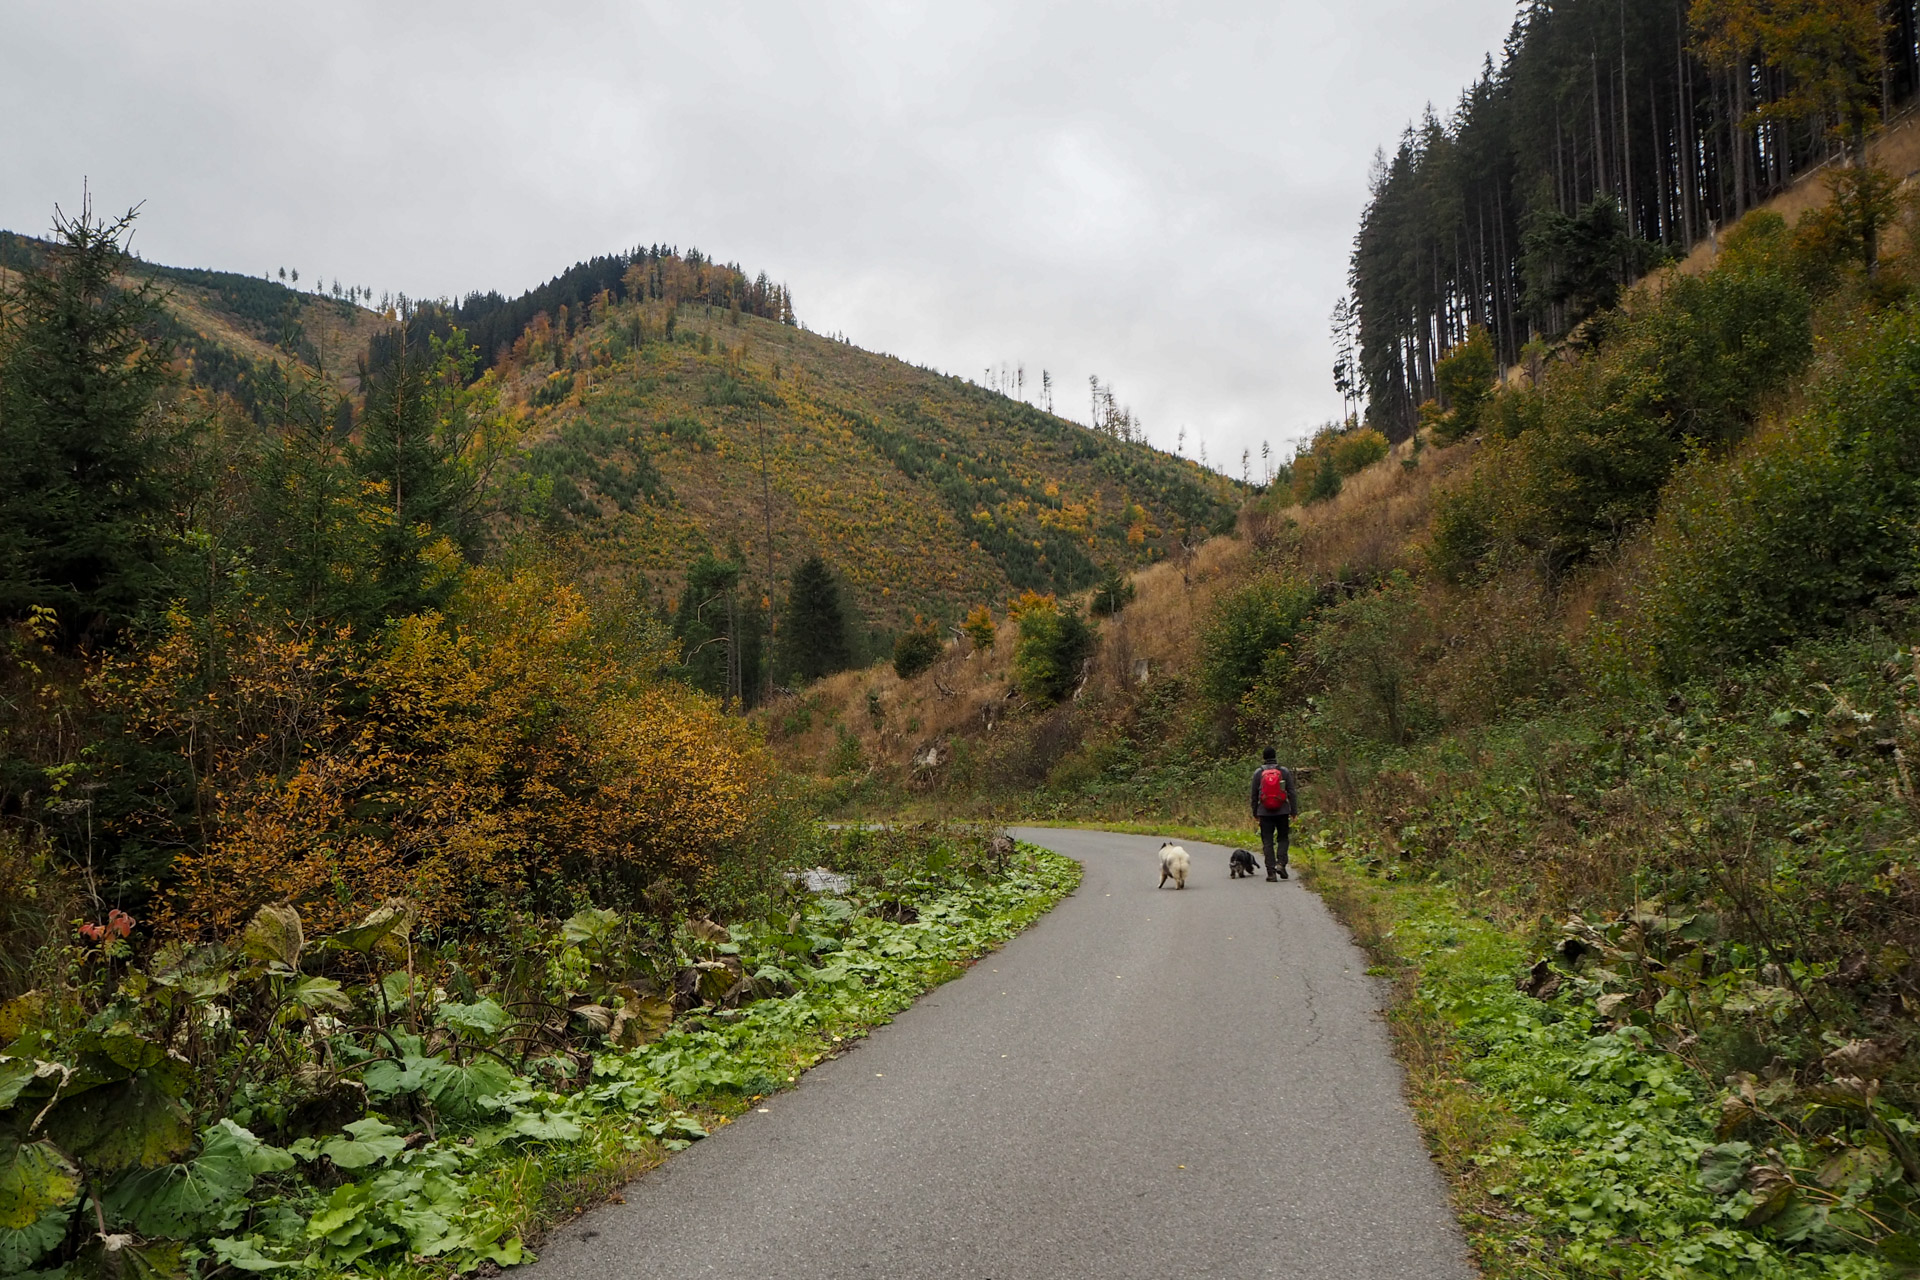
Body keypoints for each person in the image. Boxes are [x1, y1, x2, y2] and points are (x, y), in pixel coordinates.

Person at [1249, 746, 1296, 881]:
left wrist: (1255, 812)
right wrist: (1294, 811)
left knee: (1267, 842)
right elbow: (1291, 793)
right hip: (1282, 811)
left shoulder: (1258, 773)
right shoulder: (1284, 771)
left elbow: (1254, 795)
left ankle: (1271, 873)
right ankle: (1281, 864)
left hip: (1264, 812)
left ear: (1264, 757)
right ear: (1275, 756)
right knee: (1283, 838)